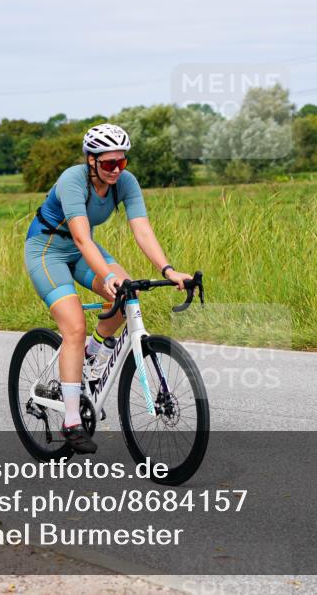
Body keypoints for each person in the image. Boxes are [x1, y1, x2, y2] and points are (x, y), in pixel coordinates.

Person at [24, 123, 192, 454]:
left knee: (130, 293)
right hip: (47, 251)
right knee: (74, 326)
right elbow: (83, 237)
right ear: (91, 161)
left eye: (122, 162)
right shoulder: (73, 180)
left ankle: (93, 353)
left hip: (82, 250)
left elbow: (142, 229)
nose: (116, 170)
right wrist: (106, 275)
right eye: (108, 163)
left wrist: (169, 270)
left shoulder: (124, 183)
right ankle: (72, 421)